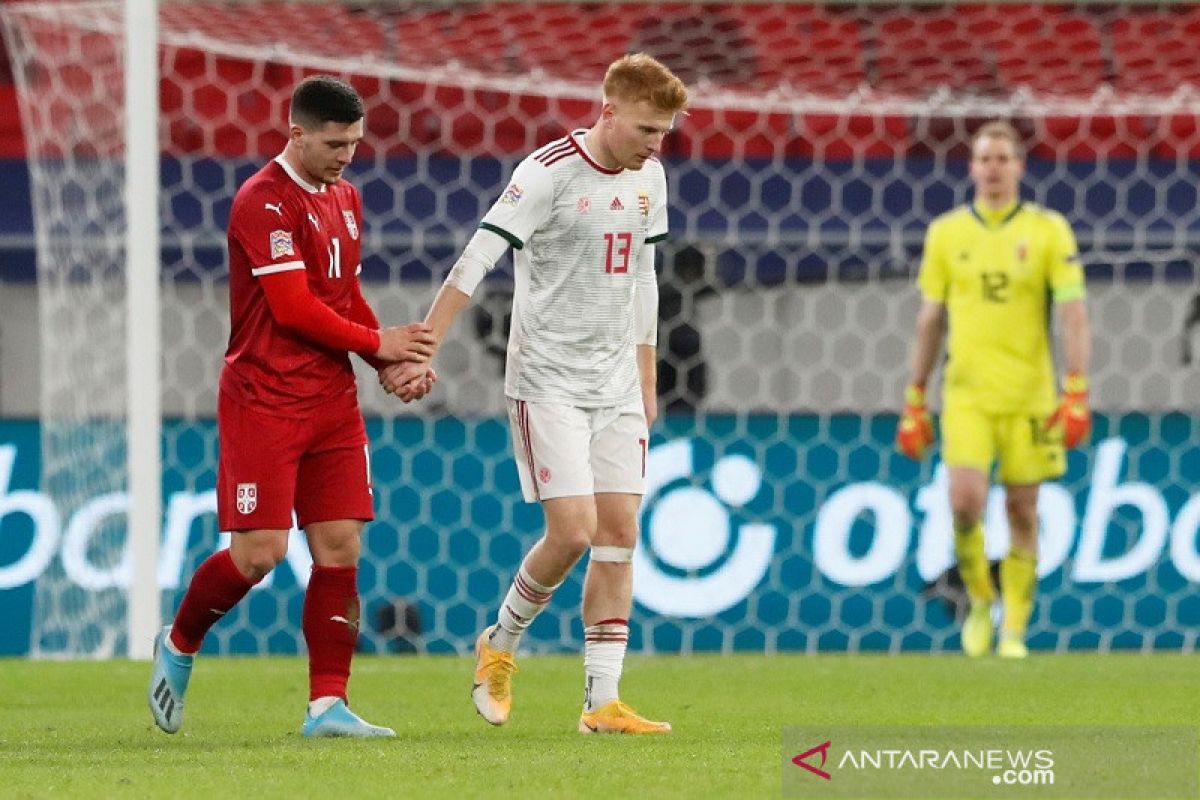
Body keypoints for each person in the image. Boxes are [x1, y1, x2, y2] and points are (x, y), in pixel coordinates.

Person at [381, 53, 688, 733]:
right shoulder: (547, 174)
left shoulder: (651, 178)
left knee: (619, 536)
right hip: (546, 381)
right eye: (645, 129)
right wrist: (425, 344)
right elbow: (477, 259)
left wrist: (646, 372)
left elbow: (645, 277)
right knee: (573, 533)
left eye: (662, 132)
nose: (654, 144)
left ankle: (601, 702)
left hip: (616, 383)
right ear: (608, 111)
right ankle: (501, 643)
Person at [148, 75, 436, 738]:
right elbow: (293, 308)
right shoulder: (263, 202)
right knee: (259, 554)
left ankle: (326, 706)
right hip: (263, 401)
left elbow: (343, 299)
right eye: (334, 143)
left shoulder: (347, 197)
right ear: (296, 132)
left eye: (355, 144)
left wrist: (387, 362)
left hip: (331, 401)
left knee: (341, 545)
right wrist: (379, 341)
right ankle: (181, 642)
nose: (346, 155)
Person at [897, 120, 1091, 659]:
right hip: (967, 394)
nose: (994, 168)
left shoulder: (1049, 230)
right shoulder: (947, 234)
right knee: (964, 504)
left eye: (1004, 158)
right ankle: (981, 599)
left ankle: (1015, 629)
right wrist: (915, 396)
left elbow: (1074, 313)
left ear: (1020, 167)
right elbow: (930, 320)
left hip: (1031, 394)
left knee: (1023, 512)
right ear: (972, 167)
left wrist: (1076, 390)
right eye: (985, 158)